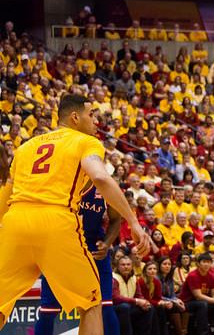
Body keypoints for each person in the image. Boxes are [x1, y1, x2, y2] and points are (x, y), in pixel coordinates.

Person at [0, 94, 151, 334]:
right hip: (55, 221)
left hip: (14, 222)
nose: (95, 122)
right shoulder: (85, 141)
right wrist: (133, 221)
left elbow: (5, 196)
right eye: (91, 115)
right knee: (91, 302)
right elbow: (100, 176)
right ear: (75, 117)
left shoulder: (25, 147)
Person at [35, 186, 122, 335]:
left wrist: (107, 243)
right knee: (48, 310)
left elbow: (116, 219)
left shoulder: (103, 185)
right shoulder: (61, 181)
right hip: (61, 250)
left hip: (94, 250)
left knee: (105, 306)